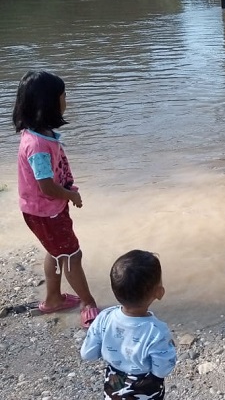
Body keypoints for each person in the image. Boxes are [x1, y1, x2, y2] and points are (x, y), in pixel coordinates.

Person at [12, 70, 100, 328]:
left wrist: (67, 190)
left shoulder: (40, 133)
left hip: (43, 210)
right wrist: (71, 195)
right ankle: (88, 302)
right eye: (64, 95)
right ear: (50, 103)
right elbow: (47, 187)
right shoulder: (37, 146)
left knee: (56, 251)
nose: (66, 100)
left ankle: (53, 299)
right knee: (72, 255)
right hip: (47, 210)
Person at [81, 250, 177, 399]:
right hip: (146, 390)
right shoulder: (157, 331)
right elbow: (162, 370)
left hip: (114, 386)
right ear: (159, 292)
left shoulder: (104, 317)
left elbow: (88, 354)